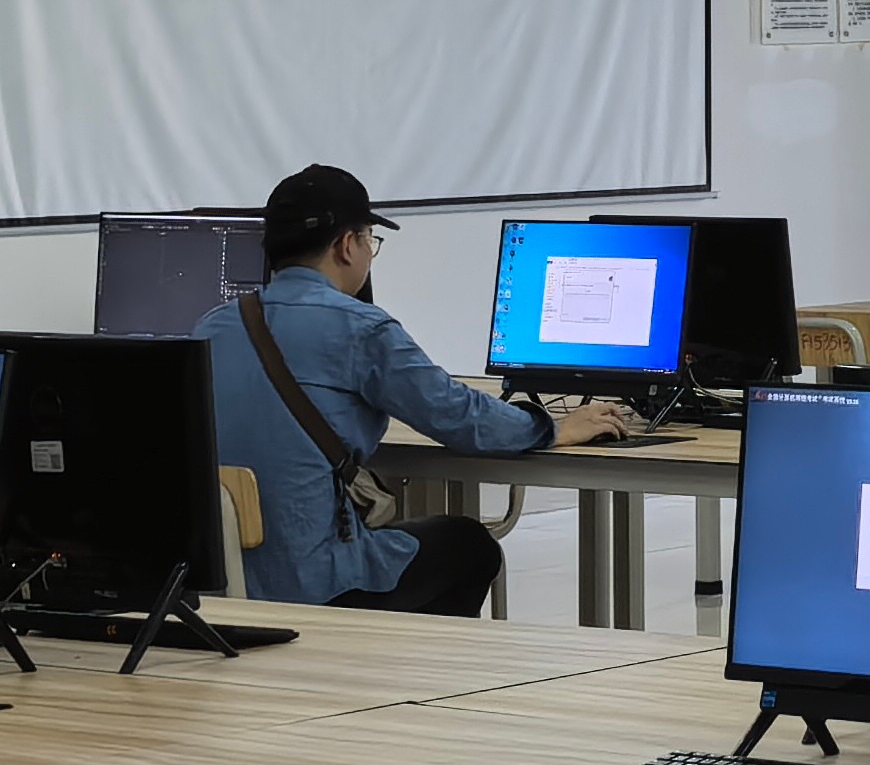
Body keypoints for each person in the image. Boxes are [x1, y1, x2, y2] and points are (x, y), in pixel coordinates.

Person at [206, 165, 633, 613]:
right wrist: (552, 428)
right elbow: (458, 415)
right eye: (370, 240)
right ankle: (393, 658)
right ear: (347, 245)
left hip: (218, 584)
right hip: (313, 583)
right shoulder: (360, 328)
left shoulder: (211, 327)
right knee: (469, 545)